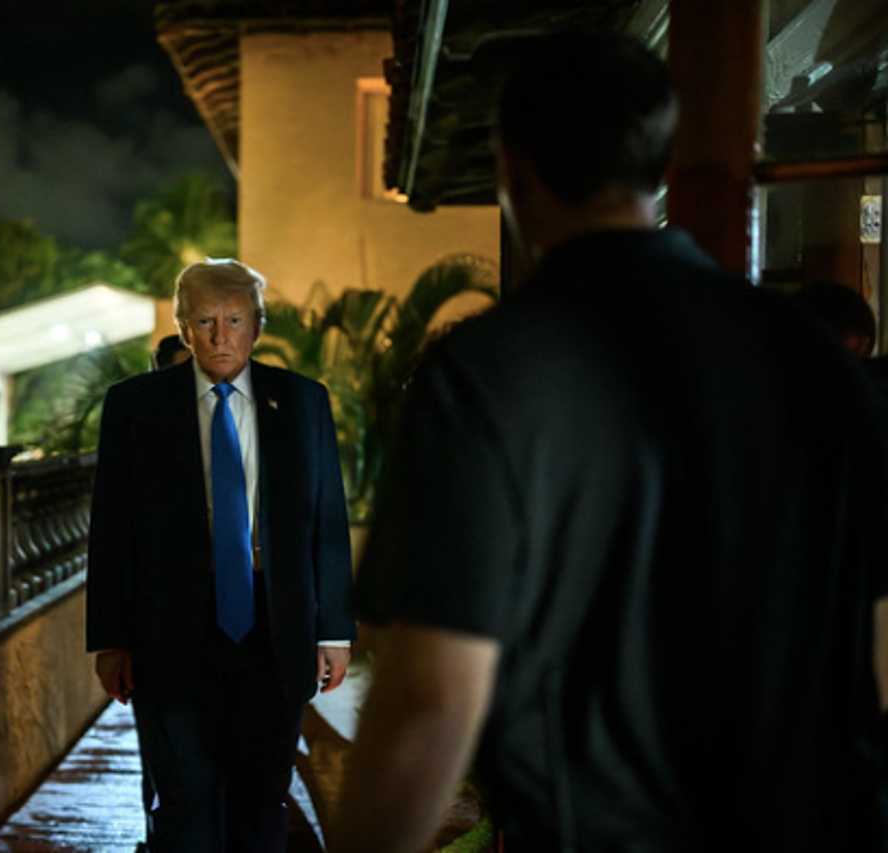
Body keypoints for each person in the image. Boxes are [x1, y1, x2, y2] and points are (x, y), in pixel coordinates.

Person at [335, 31, 887, 853]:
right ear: (661, 169)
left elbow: (434, 696)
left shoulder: (488, 371)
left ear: (511, 171)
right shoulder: (819, 360)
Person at [87, 258, 355, 853]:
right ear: (183, 328)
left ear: (257, 326)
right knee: (186, 805)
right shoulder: (134, 406)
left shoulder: (304, 402)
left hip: (275, 628)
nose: (220, 335)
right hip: (170, 629)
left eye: (235, 319)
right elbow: (111, 529)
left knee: (261, 801)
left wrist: (333, 629)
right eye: (204, 320)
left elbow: (327, 524)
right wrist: (109, 639)